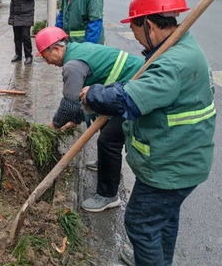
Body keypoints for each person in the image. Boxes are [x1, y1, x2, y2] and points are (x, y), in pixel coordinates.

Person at [80, 0, 216, 266]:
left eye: (135, 30)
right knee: (163, 221)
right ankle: (157, 258)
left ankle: (150, 256)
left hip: (171, 167)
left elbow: (128, 100)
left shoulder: (172, 63)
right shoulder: (176, 49)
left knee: (141, 224)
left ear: (150, 25)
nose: (136, 37)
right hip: (181, 160)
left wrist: (93, 93)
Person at [35, 26, 144, 212]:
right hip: (123, 86)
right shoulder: (77, 51)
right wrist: (76, 119)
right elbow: (79, 100)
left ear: (55, 49)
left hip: (134, 86)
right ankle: (106, 164)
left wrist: (54, 125)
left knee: (108, 141)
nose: (47, 62)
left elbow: (69, 104)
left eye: (45, 57)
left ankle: (108, 196)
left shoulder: (72, 66)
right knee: (103, 125)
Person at [4, 0, 38, 65]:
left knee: (25, 36)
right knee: (17, 36)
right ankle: (18, 55)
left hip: (26, 12)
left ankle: (28, 56)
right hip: (15, 12)